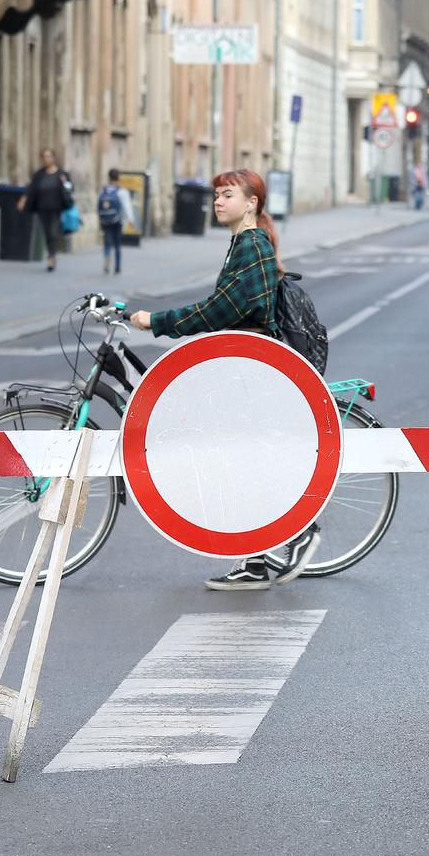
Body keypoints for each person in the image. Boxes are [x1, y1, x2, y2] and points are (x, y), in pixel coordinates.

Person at [128, 168, 320, 591]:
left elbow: (221, 311)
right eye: (216, 194)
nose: (218, 201)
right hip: (243, 369)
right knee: (237, 459)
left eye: (228, 194)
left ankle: (295, 533)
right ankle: (256, 561)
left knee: (236, 459)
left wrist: (156, 321)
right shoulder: (244, 242)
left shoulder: (251, 245)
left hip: (253, 373)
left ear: (251, 203)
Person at [17, 148, 72, 272]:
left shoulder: (61, 174)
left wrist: (68, 196)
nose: (46, 159)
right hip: (42, 207)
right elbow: (31, 188)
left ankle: (51, 256)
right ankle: (51, 253)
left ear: (53, 158)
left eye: (48, 156)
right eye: (44, 157)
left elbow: (68, 187)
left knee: (53, 231)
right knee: (47, 232)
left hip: (56, 208)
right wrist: (23, 199)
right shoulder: (39, 174)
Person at [97, 169, 137, 275]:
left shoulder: (103, 191)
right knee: (117, 243)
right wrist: (131, 221)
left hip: (105, 220)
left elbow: (99, 206)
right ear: (118, 178)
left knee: (107, 242)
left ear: (109, 178)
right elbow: (127, 207)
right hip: (117, 220)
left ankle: (106, 258)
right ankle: (117, 267)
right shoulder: (122, 191)